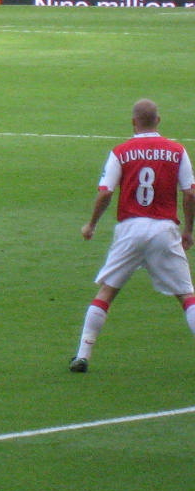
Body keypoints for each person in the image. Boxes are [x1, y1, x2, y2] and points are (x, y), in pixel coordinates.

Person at [70, 98, 195, 372]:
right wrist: (188, 230)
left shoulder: (120, 151)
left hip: (130, 229)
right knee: (186, 295)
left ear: (133, 122)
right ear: (158, 121)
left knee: (107, 291)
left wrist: (91, 224)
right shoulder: (177, 150)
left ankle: (83, 355)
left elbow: (105, 192)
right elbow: (189, 192)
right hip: (164, 229)